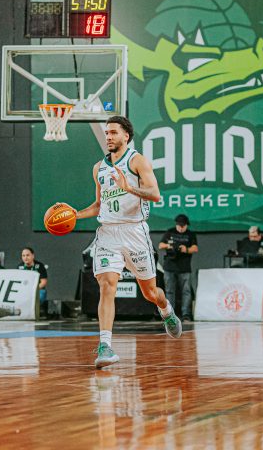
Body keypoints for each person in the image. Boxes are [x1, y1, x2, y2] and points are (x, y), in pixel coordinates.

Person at [70, 115, 182, 368]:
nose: (108, 137)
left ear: (126, 136)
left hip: (134, 233)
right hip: (108, 233)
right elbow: (98, 205)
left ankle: (165, 309)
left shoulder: (137, 161)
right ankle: (105, 345)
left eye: (113, 132)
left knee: (150, 293)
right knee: (106, 285)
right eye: (106, 133)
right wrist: (75, 214)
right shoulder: (98, 168)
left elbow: (155, 194)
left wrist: (129, 188)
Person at [158, 214, 198, 321]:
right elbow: (160, 245)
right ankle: (170, 314)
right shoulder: (170, 232)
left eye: (183, 226)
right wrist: (170, 246)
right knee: (169, 291)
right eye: (179, 225)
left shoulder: (190, 234)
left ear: (186, 225)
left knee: (186, 291)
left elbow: (195, 248)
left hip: (184, 267)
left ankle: (186, 314)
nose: (181, 228)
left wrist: (186, 249)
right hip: (170, 266)